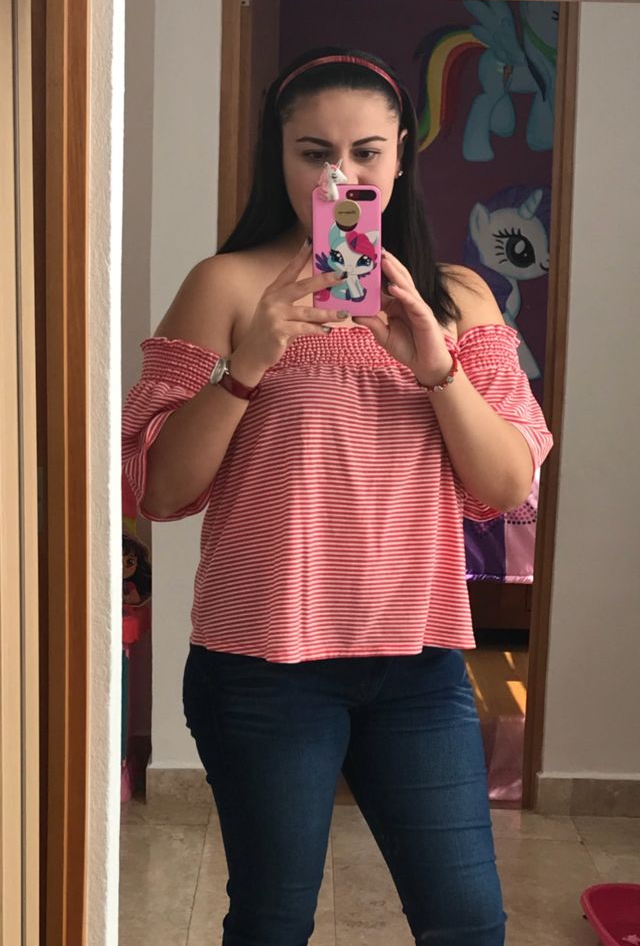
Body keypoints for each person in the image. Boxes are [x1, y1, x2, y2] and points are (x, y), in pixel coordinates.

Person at [122, 46, 553, 946]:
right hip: (263, 661)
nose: (338, 177)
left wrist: (435, 367)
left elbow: (507, 484)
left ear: (401, 156)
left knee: (469, 922)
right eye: (313, 153)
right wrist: (248, 363)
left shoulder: (458, 298)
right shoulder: (226, 286)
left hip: (418, 661)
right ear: (278, 157)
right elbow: (158, 490)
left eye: (365, 152)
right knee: (274, 920)